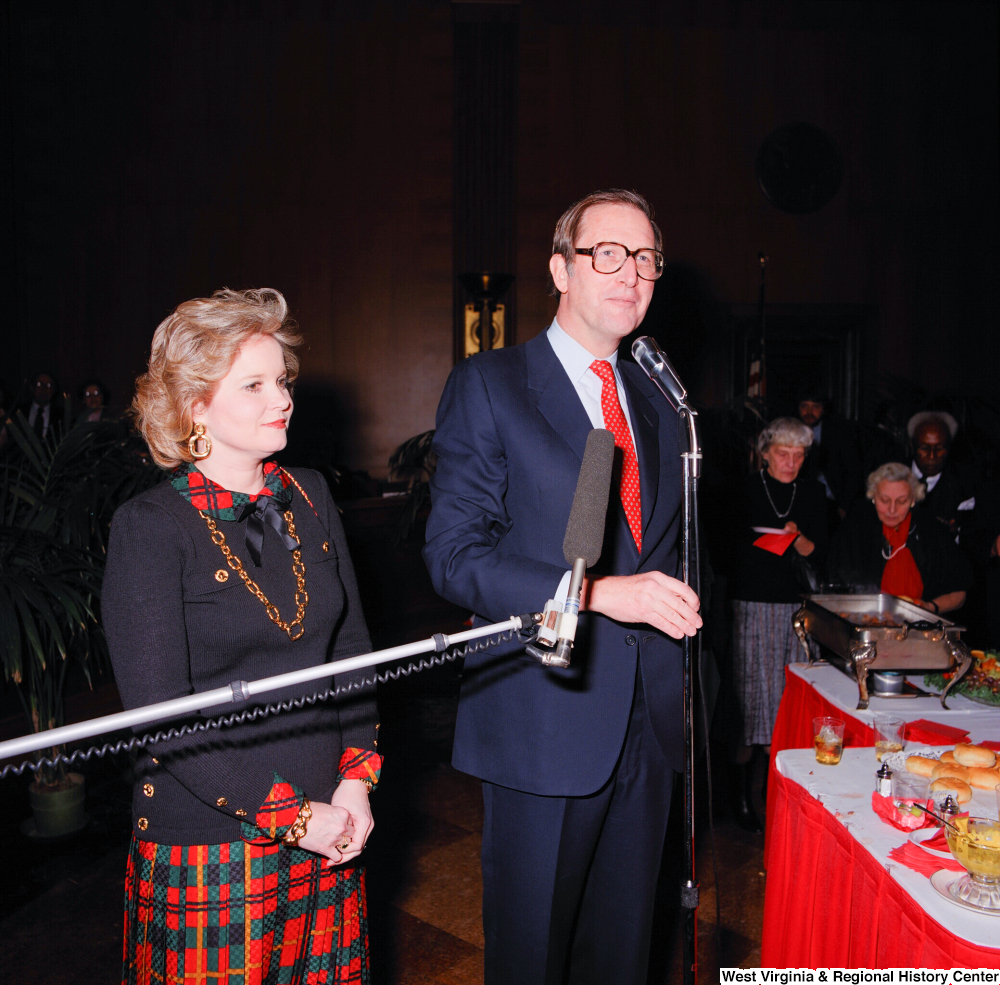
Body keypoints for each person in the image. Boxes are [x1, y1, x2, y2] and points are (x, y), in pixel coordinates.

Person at [423, 189, 702, 985]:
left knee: (622, 958)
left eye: (646, 258)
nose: (632, 273)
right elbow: (451, 556)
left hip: (648, 726)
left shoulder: (659, 402)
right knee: (534, 958)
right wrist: (594, 593)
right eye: (607, 254)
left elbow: (669, 551)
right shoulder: (494, 384)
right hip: (544, 723)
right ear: (560, 269)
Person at [102, 288, 381, 985]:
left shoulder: (311, 493)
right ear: (196, 405)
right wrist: (293, 817)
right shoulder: (150, 527)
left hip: (329, 824)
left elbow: (352, 655)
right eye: (253, 384)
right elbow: (165, 721)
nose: (280, 398)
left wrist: (355, 782)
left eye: (280, 380)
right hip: (211, 842)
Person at [729, 417, 827, 830]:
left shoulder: (813, 493)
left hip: (798, 608)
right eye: (783, 454)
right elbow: (726, 548)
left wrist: (797, 538)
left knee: (791, 698)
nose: (790, 462)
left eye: (798, 455)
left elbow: (822, 552)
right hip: (752, 603)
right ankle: (742, 798)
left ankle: (782, 796)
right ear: (765, 452)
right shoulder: (745, 489)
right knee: (753, 700)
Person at [827, 461, 972, 614]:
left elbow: (959, 592)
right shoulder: (855, 527)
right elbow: (833, 587)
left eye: (901, 501)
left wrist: (930, 607)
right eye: (884, 500)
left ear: (913, 500)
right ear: (873, 496)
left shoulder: (931, 531)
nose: (892, 509)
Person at [796, 390, 861, 526]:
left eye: (815, 407)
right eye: (804, 406)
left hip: (832, 502)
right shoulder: (790, 431)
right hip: (799, 501)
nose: (809, 412)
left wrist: (844, 507)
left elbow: (853, 472)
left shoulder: (839, 432)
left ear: (823, 409)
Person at [907, 410, 976, 537]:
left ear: (948, 449)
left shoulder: (964, 488)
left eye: (939, 448)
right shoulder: (891, 476)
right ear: (912, 446)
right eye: (924, 447)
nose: (932, 456)